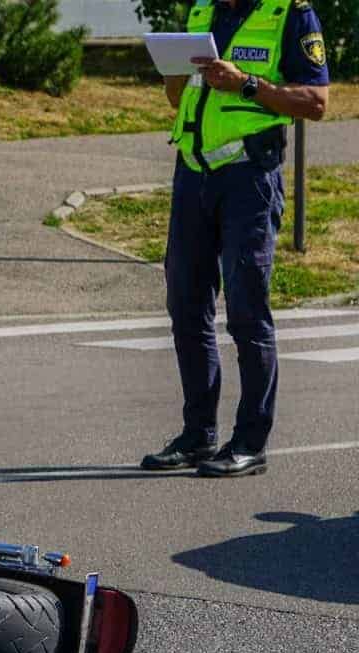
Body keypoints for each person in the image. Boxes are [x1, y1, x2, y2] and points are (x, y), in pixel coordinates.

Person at [141, 0, 330, 478]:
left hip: (249, 178)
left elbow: (317, 102)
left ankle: (250, 441)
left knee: (247, 313)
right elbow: (178, 98)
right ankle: (199, 435)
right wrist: (174, 76)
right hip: (193, 173)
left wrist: (246, 83)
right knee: (186, 305)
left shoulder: (289, 13)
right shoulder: (202, 10)